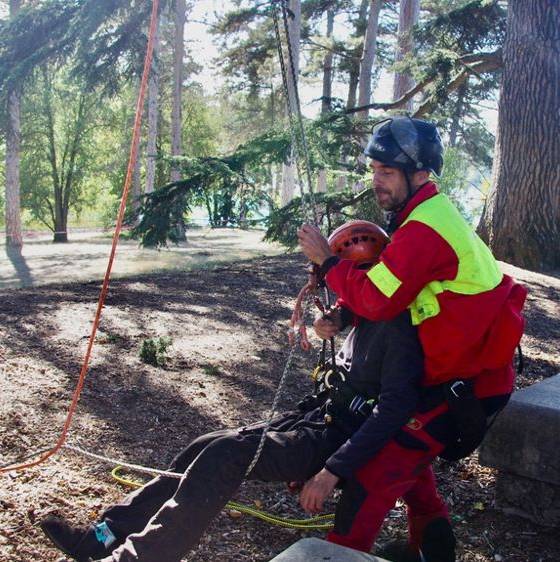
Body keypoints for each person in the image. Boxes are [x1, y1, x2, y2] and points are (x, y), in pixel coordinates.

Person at [39, 225, 440, 562]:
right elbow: (358, 307)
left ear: (365, 274)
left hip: (336, 438)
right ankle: (105, 535)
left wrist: (331, 471)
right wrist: (333, 320)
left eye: (344, 282)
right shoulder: (369, 304)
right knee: (207, 444)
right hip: (318, 417)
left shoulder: (400, 325)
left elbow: (395, 407)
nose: (340, 291)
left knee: (227, 456)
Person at [298, 116, 527, 558]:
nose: (376, 182)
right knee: (407, 453)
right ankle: (431, 542)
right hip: (462, 373)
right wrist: (344, 316)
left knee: (377, 472)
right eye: (373, 171)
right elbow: (395, 289)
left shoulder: (424, 227)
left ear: (420, 174)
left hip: (467, 386)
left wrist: (329, 262)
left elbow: (379, 299)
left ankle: (342, 552)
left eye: (386, 172)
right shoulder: (421, 216)